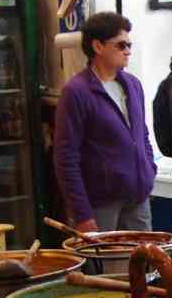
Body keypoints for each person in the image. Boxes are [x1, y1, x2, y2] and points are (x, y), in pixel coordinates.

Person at [54, 12, 157, 232]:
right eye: (121, 45)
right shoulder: (76, 92)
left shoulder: (133, 85)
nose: (128, 51)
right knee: (105, 256)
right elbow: (66, 157)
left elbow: (142, 135)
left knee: (144, 253)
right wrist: (82, 213)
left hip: (138, 196)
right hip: (100, 203)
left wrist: (149, 170)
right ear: (98, 46)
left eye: (129, 45)